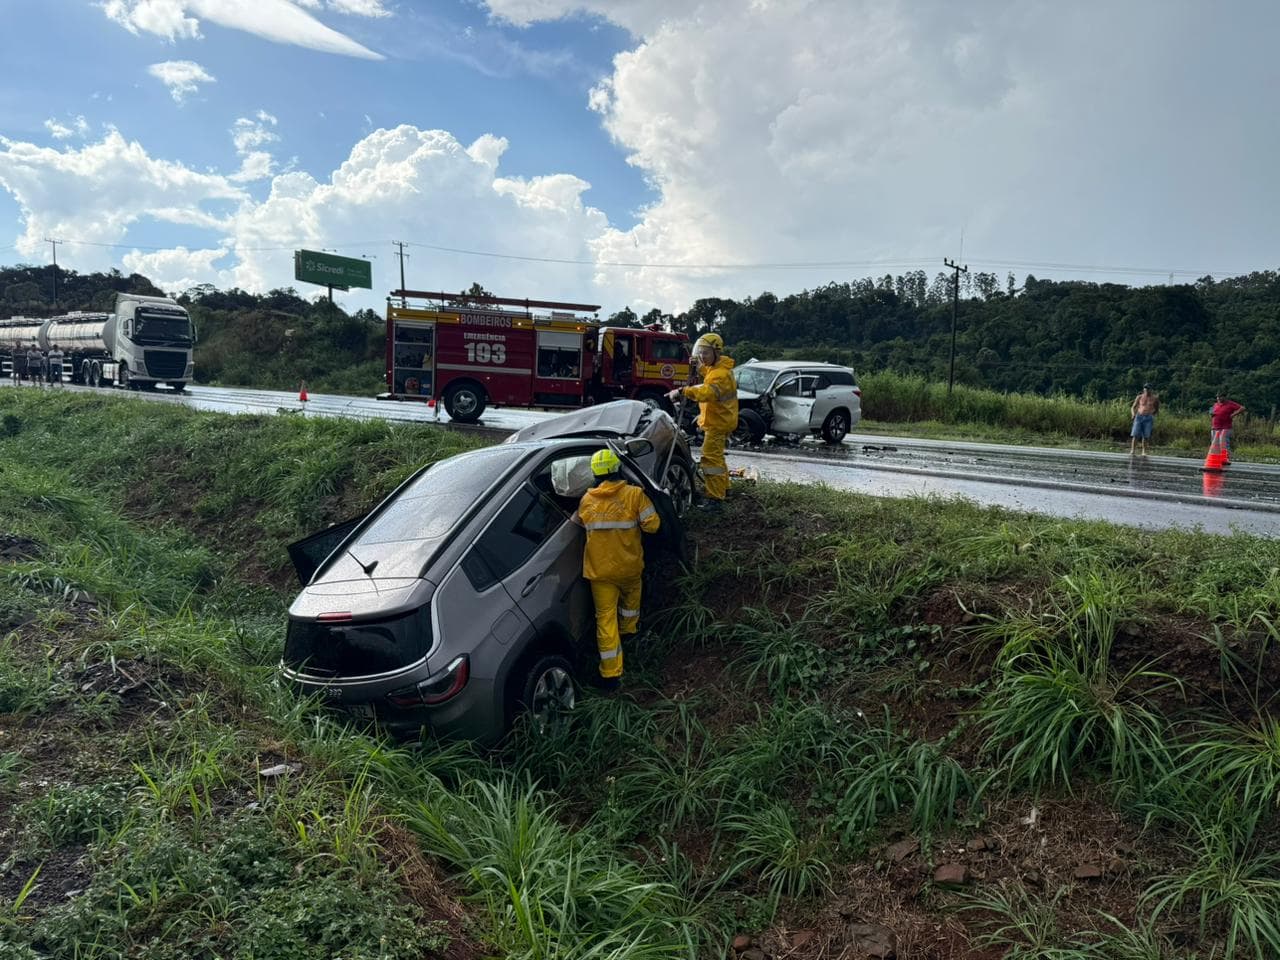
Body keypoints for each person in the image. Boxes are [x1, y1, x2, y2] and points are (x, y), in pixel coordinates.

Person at [576, 447, 661, 690]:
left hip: (600, 573)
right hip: (630, 567)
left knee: (605, 619)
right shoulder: (635, 495)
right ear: (617, 469)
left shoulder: (586, 500)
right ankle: (630, 634)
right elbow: (653, 526)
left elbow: (579, 523)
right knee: (630, 606)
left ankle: (611, 673)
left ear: (595, 474)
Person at [668, 333, 737, 507]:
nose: (702, 357)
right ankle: (724, 489)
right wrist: (698, 365)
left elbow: (706, 393)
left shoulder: (719, 375)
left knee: (710, 460)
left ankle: (715, 499)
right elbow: (707, 371)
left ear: (717, 352)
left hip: (717, 423)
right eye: (701, 353)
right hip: (721, 420)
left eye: (705, 353)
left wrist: (683, 392)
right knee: (718, 458)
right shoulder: (717, 369)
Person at [1210, 392, 1245, 460]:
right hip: (1215, 427)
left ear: (1224, 397)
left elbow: (1242, 408)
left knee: (1224, 444)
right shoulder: (1216, 404)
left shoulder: (1230, 403)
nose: (1218, 398)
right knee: (1214, 444)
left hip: (1225, 428)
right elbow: (1212, 412)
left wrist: (1233, 414)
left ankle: (1225, 458)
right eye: (1217, 397)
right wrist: (1212, 414)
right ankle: (1216, 458)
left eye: (1220, 397)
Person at [1129, 383, 1160, 456]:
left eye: (1148, 388)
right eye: (1145, 388)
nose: (1146, 390)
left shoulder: (1155, 398)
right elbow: (1133, 407)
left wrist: (1152, 415)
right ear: (1143, 389)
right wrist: (1133, 414)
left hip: (1148, 418)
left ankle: (1144, 451)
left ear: (1151, 390)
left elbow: (1157, 409)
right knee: (1135, 434)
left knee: (1146, 436)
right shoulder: (1139, 397)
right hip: (1139, 416)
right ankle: (1133, 450)